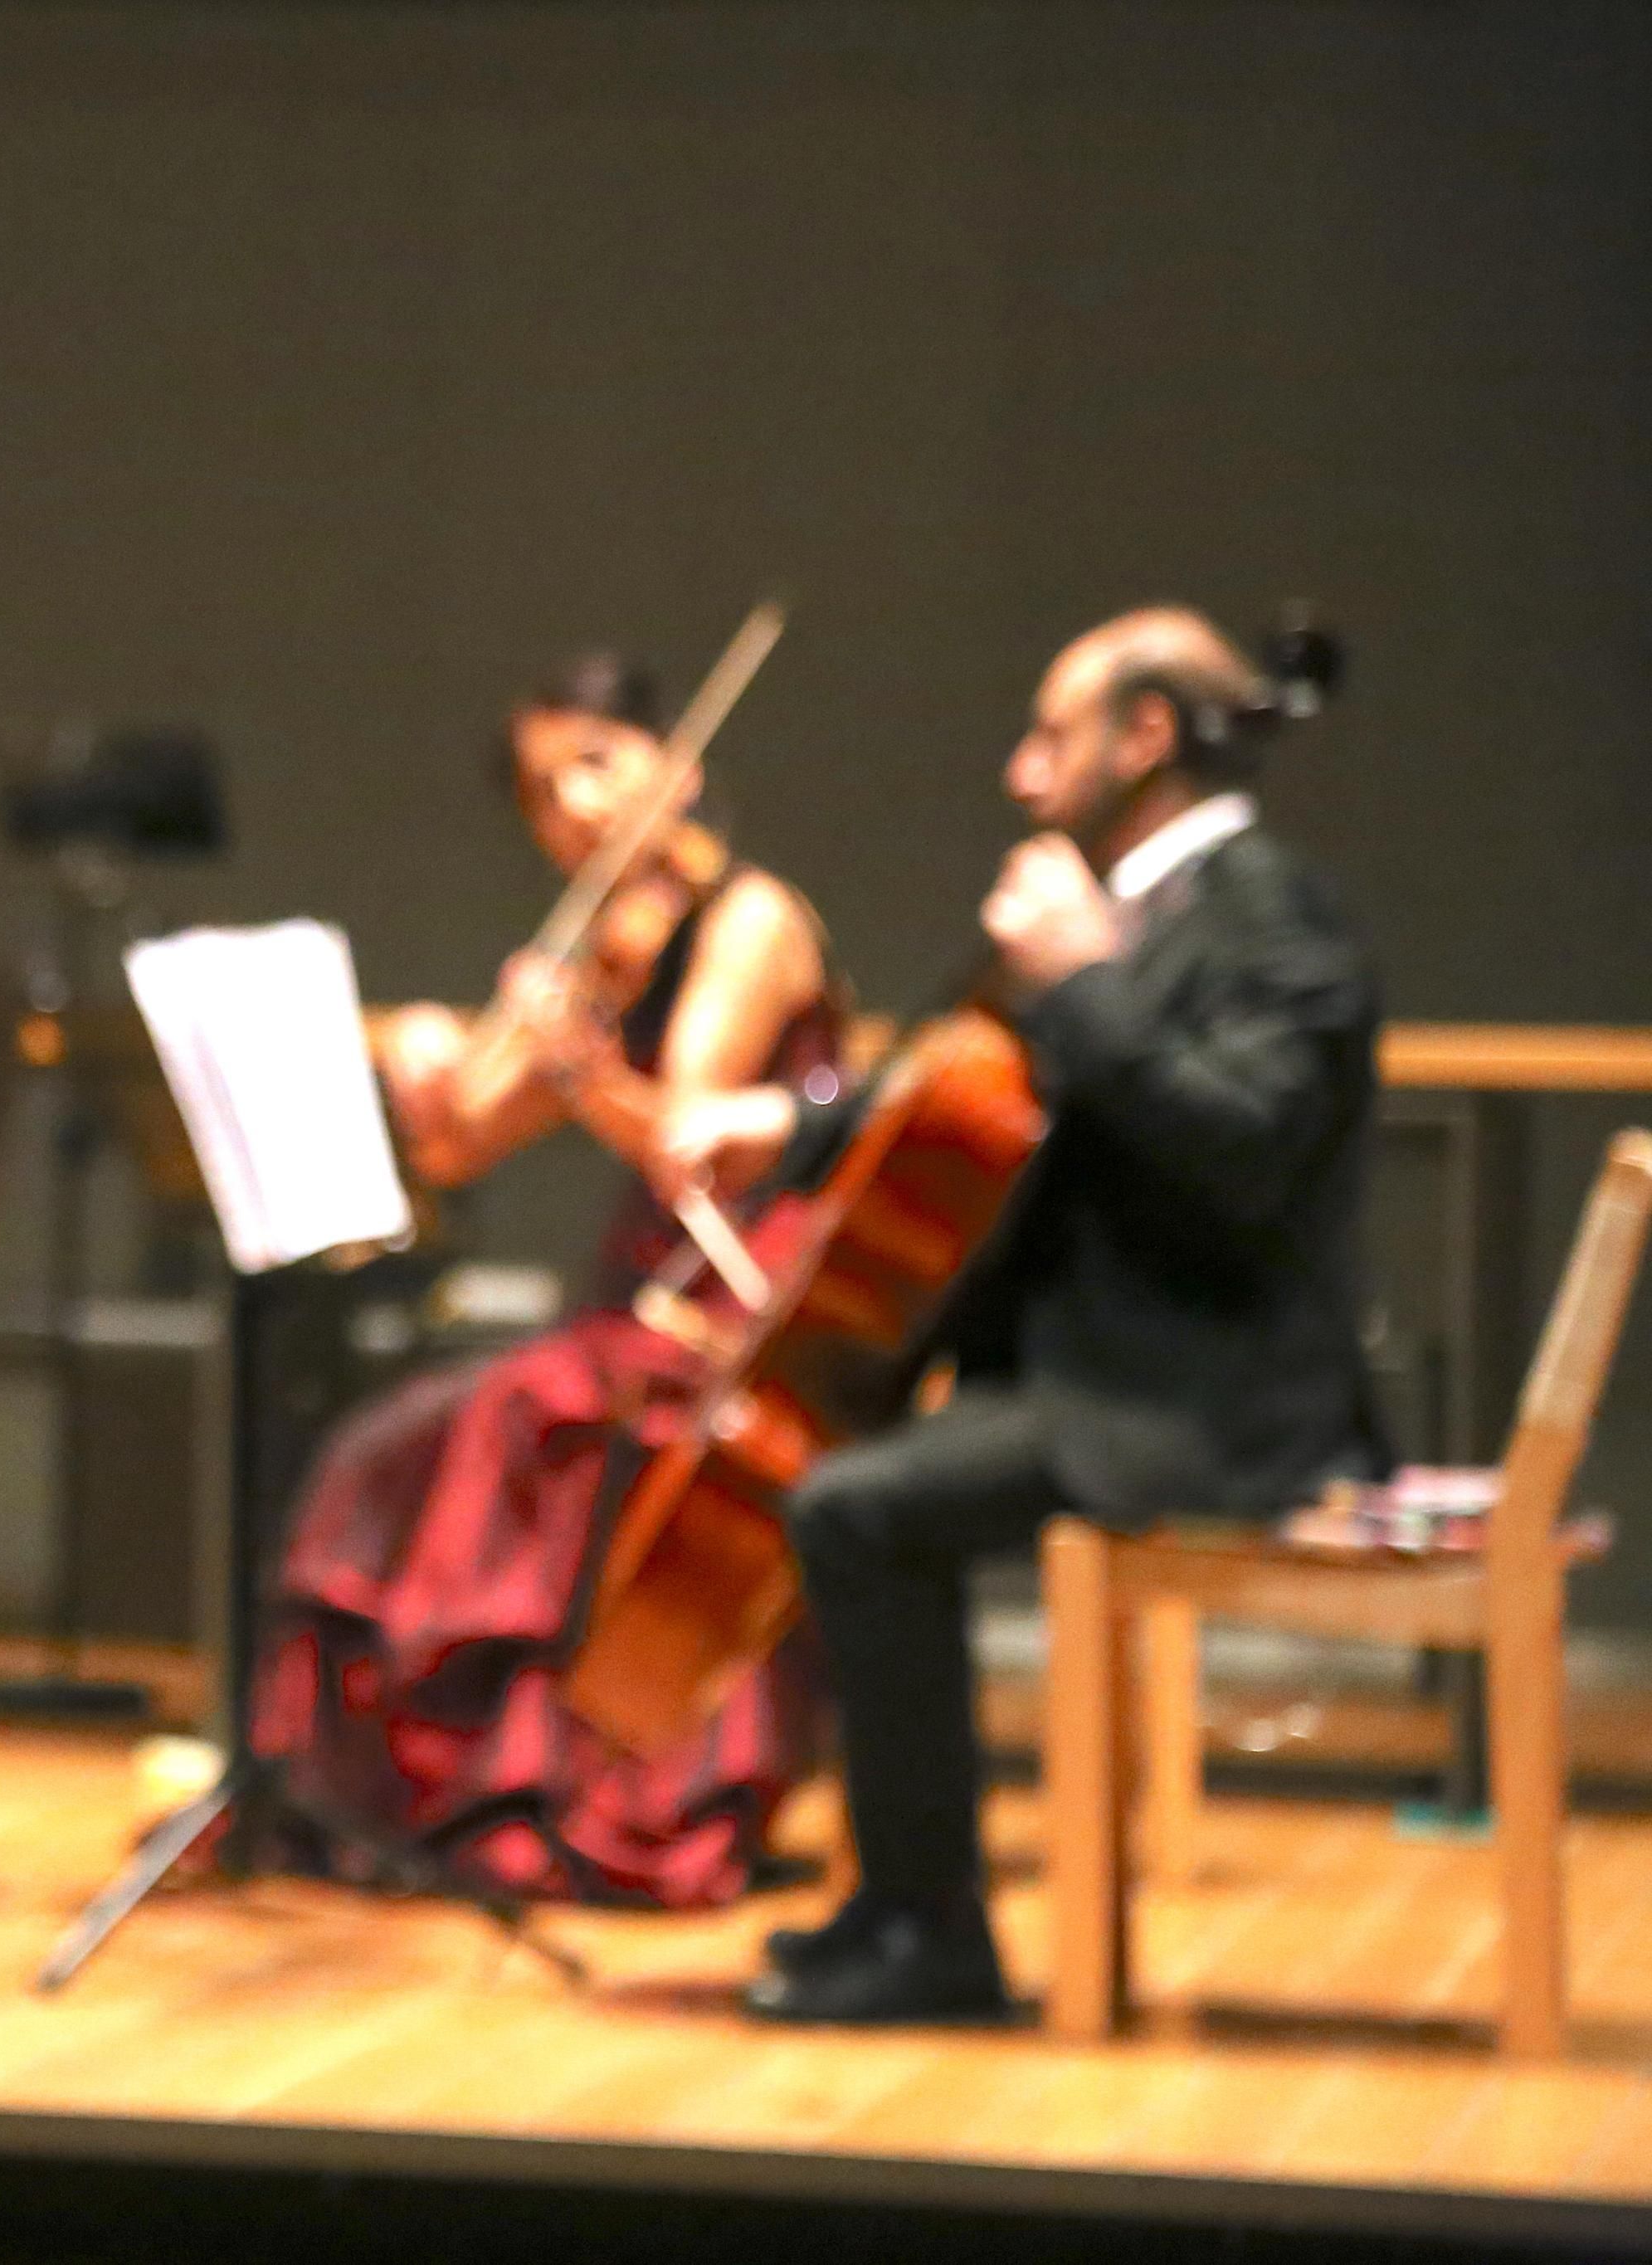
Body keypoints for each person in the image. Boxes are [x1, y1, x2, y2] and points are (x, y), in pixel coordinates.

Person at [661, 606, 1384, 2022]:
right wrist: (786, 1127)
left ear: (1147, 735)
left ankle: (933, 1936)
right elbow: (969, 1093)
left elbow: (1248, 1150)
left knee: (858, 1508)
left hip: (1212, 1399)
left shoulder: (1269, 910)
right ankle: (900, 1908)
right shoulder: (1120, 910)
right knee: (852, 1487)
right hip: (1092, 1375)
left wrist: (1087, 983)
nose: (1020, 771)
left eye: (1053, 736)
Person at [249, 652, 841, 1907]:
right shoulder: (609, 953)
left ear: (679, 770)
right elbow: (462, 1146)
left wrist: (577, 1061)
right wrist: (429, 1079)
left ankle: (569, 1796)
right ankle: (415, 1792)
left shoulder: (750, 921)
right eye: (539, 790)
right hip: (639, 1302)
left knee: (520, 1415)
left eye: (596, 764)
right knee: (381, 1445)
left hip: (743, 1301)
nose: (570, 805)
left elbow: (687, 1140)